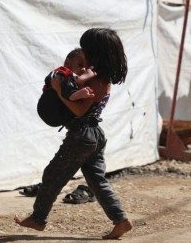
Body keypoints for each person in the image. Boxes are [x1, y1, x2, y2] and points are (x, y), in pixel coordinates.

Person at [15, 28, 132, 239]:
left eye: (87, 49)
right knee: (97, 181)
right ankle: (120, 221)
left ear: (96, 52)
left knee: (52, 175)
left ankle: (38, 218)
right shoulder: (100, 77)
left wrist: (59, 91)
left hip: (82, 135)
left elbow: (79, 110)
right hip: (94, 134)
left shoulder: (97, 80)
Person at [37, 48, 96, 127]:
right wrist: (86, 76)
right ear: (67, 63)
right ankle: (73, 95)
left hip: (61, 115)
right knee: (65, 82)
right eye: (80, 65)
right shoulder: (61, 72)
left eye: (86, 66)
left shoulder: (84, 83)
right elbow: (53, 81)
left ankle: (74, 95)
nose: (84, 69)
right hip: (48, 108)